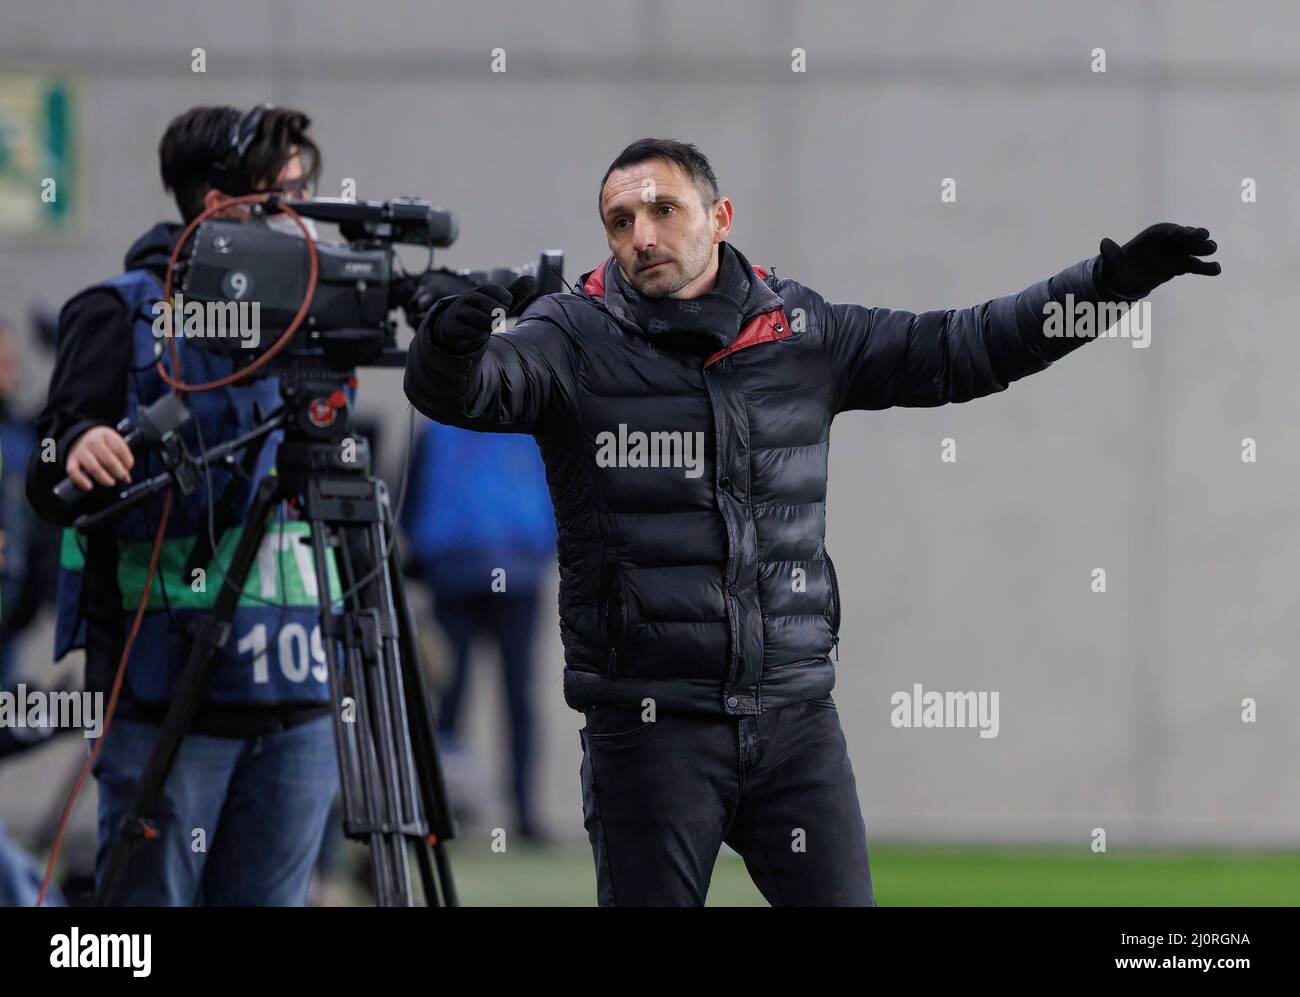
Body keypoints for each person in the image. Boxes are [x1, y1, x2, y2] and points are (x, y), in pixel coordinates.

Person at [404, 137, 1220, 906]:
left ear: (720, 219)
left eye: (663, 211)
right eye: (621, 221)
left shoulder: (802, 332)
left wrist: (1106, 287)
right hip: (650, 726)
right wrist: (447, 342)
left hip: (794, 720)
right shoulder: (569, 336)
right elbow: (465, 390)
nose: (641, 235)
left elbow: (966, 348)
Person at [26, 104, 338, 906]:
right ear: (217, 204)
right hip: (164, 696)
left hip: (298, 695)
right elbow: (46, 473)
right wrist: (82, 445)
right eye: (283, 196)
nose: (302, 218)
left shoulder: (308, 318)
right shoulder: (117, 310)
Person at [402, 417, 556, 841]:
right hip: (490, 571)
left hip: (469, 570)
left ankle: (447, 812)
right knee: (495, 698)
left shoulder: (439, 426)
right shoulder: (527, 425)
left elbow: (410, 502)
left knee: (466, 697)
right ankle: (507, 814)